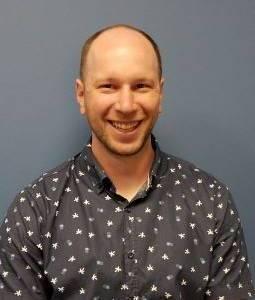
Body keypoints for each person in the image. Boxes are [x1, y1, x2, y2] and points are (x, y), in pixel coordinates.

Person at [0, 24, 254, 300]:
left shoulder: (212, 202)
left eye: (141, 86)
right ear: (81, 95)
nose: (126, 104)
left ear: (160, 93)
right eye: (108, 86)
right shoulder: (35, 209)